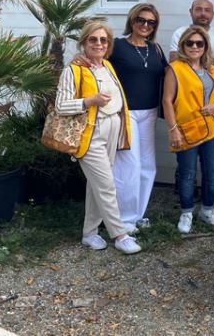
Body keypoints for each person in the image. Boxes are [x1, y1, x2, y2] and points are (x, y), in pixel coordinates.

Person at [55, 22, 141, 254]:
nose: (99, 44)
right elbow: (60, 105)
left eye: (103, 40)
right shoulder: (73, 69)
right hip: (90, 133)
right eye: (93, 39)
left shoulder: (108, 66)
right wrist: (89, 101)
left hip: (111, 129)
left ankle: (89, 233)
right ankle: (119, 234)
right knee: (106, 185)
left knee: (97, 185)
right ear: (84, 42)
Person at [109, 3, 167, 233]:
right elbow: (94, 62)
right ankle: (124, 219)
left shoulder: (156, 49)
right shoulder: (116, 46)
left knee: (147, 166)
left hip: (149, 112)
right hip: (126, 112)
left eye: (151, 22)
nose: (145, 25)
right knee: (128, 166)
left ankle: (138, 214)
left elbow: (170, 74)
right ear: (132, 21)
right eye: (140, 20)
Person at [163, 25, 214, 233]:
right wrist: (173, 129)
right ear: (183, 45)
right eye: (190, 43)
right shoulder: (175, 68)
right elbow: (166, 100)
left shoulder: (211, 68)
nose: (194, 47)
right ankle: (187, 212)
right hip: (187, 130)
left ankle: (208, 209)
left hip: (210, 129)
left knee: (210, 172)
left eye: (199, 43)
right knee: (187, 173)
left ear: (205, 46)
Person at [169, 0, 214, 188]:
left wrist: (196, 59)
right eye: (199, 9)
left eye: (207, 10)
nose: (203, 13)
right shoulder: (179, 33)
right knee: (186, 149)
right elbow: (173, 61)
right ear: (191, 12)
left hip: (213, 101)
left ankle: (212, 193)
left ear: (212, 14)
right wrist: (210, 60)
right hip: (185, 101)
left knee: (213, 152)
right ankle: (185, 194)